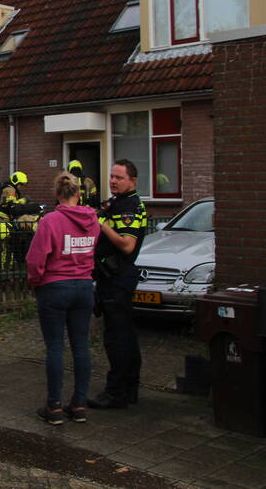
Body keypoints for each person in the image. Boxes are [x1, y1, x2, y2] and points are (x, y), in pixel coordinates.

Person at [27, 172, 98, 425]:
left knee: (55, 347)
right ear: (79, 194)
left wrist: (36, 283)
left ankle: (54, 406)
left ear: (57, 194)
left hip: (54, 288)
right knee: (81, 347)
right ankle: (79, 404)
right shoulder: (93, 220)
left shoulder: (50, 221)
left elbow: (36, 260)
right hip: (84, 288)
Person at [88, 159, 147, 410]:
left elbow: (127, 244)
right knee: (125, 335)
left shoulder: (129, 206)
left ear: (132, 181)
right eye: (111, 176)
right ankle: (129, 388)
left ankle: (116, 393)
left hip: (117, 279)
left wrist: (101, 225)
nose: (113, 181)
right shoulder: (117, 203)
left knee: (117, 338)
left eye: (119, 178)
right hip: (111, 278)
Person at [0, 171, 43, 267]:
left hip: (3, 219)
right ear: (16, 182)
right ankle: (4, 268)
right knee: (5, 246)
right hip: (2, 220)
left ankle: (3, 267)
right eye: (20, 185)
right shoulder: (10, 190)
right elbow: (13, 207)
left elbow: (9, 203)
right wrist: (31, 207)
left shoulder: (7, 188)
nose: (21, 187)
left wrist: (22, 201)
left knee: (3, 246)